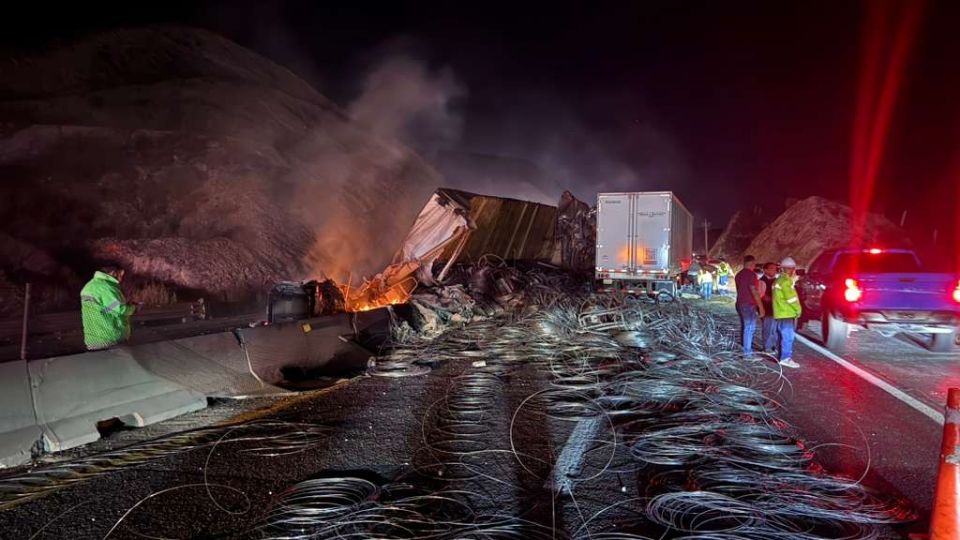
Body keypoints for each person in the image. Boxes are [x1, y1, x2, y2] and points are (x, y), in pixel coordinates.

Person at [80, 265, 138, 351]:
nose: (121, 276)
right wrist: (134, 308)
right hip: (110, 337)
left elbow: (105, 310)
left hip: (93, 339)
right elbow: (120, 309)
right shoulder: (107, 288)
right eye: (120, 273)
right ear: (113, 273)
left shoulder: (90, 285)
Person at [772, 257, 802, 368]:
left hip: (780, 313)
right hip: (787, 313)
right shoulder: (786, 281)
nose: (793, 271)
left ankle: (781, 356)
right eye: (792, 269)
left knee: (782, 335)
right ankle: (785, 358)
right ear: (788, 269)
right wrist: (798, 310)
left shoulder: (779, 280)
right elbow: (791, 299)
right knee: (788, 336)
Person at [734, 255, 765, 354]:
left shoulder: (738, 274)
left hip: (739, 303)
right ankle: (747, 352)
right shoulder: (751, 275)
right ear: (752, 263)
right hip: (748, 304)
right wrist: (761, 307)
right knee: (750, 327)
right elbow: (754, 291)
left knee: (745, 326)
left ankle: (745, 348)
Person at [757, 262, 779, 354]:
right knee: (768, 329)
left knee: (775, 329)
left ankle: (773, 346)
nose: (774, 270)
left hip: (776, 309)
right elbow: (761, 296)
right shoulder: (762, 281)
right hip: (767, 309)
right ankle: (767, 347)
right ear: (765, 270)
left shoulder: (777, 281)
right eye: (771, 268)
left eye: (775, 269)